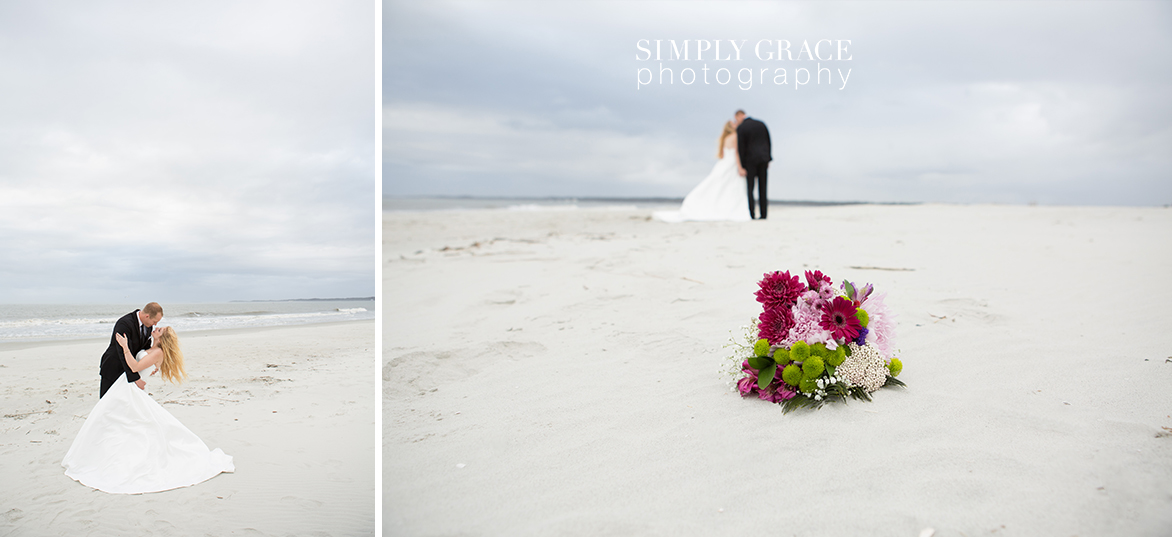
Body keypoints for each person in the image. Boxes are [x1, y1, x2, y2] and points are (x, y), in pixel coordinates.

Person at [63, 325, 234, 493]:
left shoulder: (158, 352)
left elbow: (135, 368)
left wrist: (124, 347)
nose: (156, 328)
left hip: (130, 388)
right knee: (115, 420)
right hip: (126, 386)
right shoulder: (151, 348)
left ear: (163, 338)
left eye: (160, 330)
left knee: (122, 420)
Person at [652, 120, 751, 222]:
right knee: (729, 187)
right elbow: (736, 153)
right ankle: (727, 207)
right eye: (734, 123)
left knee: (718, 186)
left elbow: (723, 155)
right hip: (731, 164)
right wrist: (740, 167)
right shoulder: (735, 136)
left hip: (723, 164)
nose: (736, 124)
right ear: (731, 126)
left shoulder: (724, 139)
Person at [99, 303, 163, 398]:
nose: (155, 325)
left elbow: (144, 347)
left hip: (130, 369)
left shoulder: (148, 325)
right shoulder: (124, 323)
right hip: (114, 368)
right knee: (107, 402)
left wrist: (149, 365)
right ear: (147, 316)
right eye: (154, 321)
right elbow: (122, 351)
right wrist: (135, 378)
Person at [734, 110, 772, 219]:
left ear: (739, 116)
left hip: (750, 161)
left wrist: (741, 165)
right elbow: (768, 142)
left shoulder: (742, 128)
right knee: (763, 187)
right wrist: (768, 158)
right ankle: (764, 214)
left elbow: (741, 148)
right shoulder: (761, 124)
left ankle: (751, 214)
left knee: (750, 188)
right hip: (763, 159)